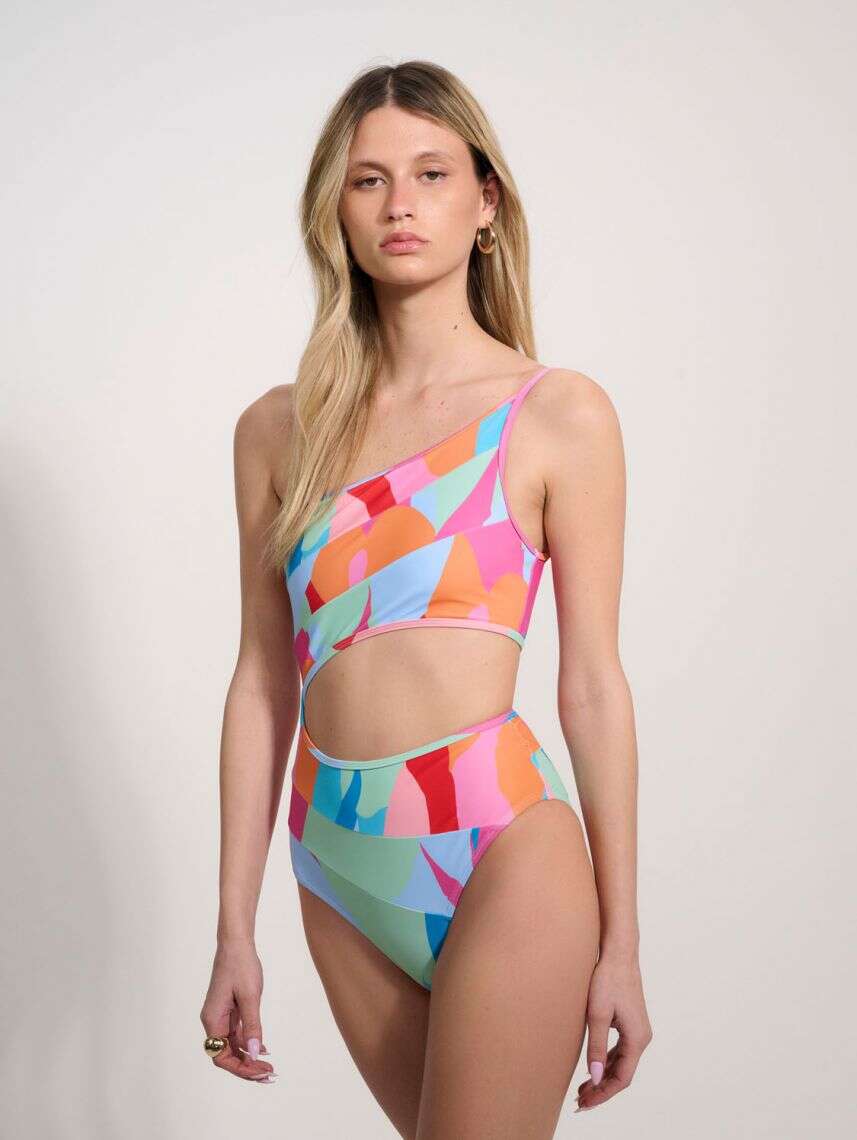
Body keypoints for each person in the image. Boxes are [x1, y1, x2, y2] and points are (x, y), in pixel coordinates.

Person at [200, 59, 652, 1137]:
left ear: (484, 202)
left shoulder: (556, 414)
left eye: (431, 173)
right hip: (336, 859)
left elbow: (591, 684)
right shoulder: (277, 432)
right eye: (368, 180)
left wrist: (623, 944)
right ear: (335, 210)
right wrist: (233, 928)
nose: (399, 204)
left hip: (499, 842)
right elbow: (262, 683)